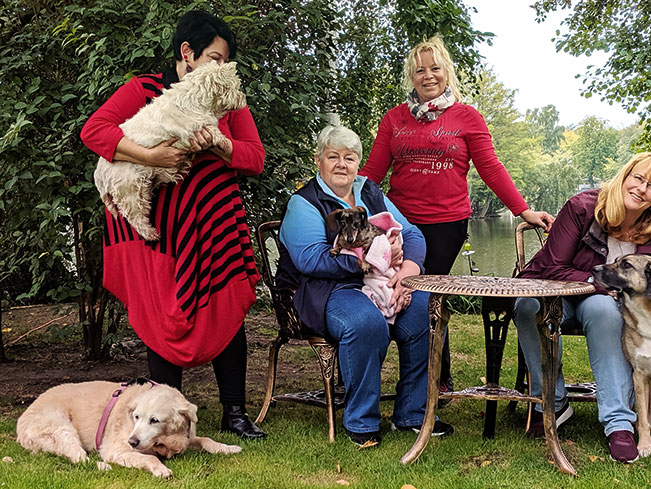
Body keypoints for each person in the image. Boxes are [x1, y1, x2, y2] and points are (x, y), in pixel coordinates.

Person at [80, 10, 266, 439]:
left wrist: (221, 145)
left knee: (225, 311)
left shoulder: (224, 100)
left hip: (215, 228)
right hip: (162, 236)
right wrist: (150, 157)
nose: (221, 67)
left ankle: (235, 413)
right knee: (162, 314)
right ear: (187, 52)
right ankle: (163, 417)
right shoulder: (143, 90)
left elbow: (254, 157)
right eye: (215, 58)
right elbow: (95, 131)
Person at [359, 36, 555, 396]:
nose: (428, 76)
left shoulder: (466, 117)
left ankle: (435, 379)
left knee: (427, 292)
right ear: (412, 77)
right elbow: (372, 172)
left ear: (447, 72)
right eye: (420, 70)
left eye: (435, 68)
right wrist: (349, 206)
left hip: (447, 223)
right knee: (406, 290)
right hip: (399, 222)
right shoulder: (395, 119)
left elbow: (490, 167)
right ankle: (427, 378)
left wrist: (522, 210)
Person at [513, 152, 651, 463]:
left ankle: (619, 423)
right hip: (556, 293)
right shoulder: (583, 207)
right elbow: (553, 266)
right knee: (527, 307)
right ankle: (552, 403)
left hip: (602, 302)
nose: (642, 188)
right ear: (625, 177)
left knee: (604, 311)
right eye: (638, 178)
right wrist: (606, 285)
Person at [277, 125, 453, 448]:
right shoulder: (303, 203)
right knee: (365, 322)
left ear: (358, 163)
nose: (342, 164)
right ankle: (362, 421)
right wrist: (374, 260)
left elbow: (411, 234)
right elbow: (311, 259)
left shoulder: (369, 191)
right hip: (327, 291)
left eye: (350, 157)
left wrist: (408, 273)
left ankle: (413, 414)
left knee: (426, 309)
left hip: (383, 281)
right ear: (318, 160)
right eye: (333, 157)